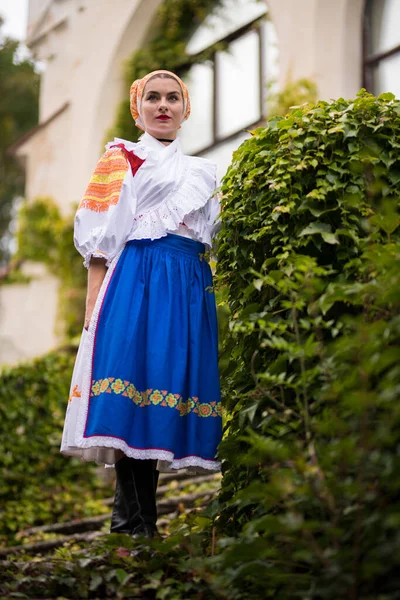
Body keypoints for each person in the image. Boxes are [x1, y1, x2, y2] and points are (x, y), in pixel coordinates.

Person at [60, 70, 222, 539]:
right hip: (137, 281)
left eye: (173, 98)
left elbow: (211, 237)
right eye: (153, 98)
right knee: (130, 395)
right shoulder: (122, 158)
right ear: (139, 108)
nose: (163, 105)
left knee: (161, 396)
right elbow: (100, 243)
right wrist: (94, 309)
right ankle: (134, 529)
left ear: (185, 109)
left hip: (189, 286)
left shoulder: (204, 171)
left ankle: (133, 528)